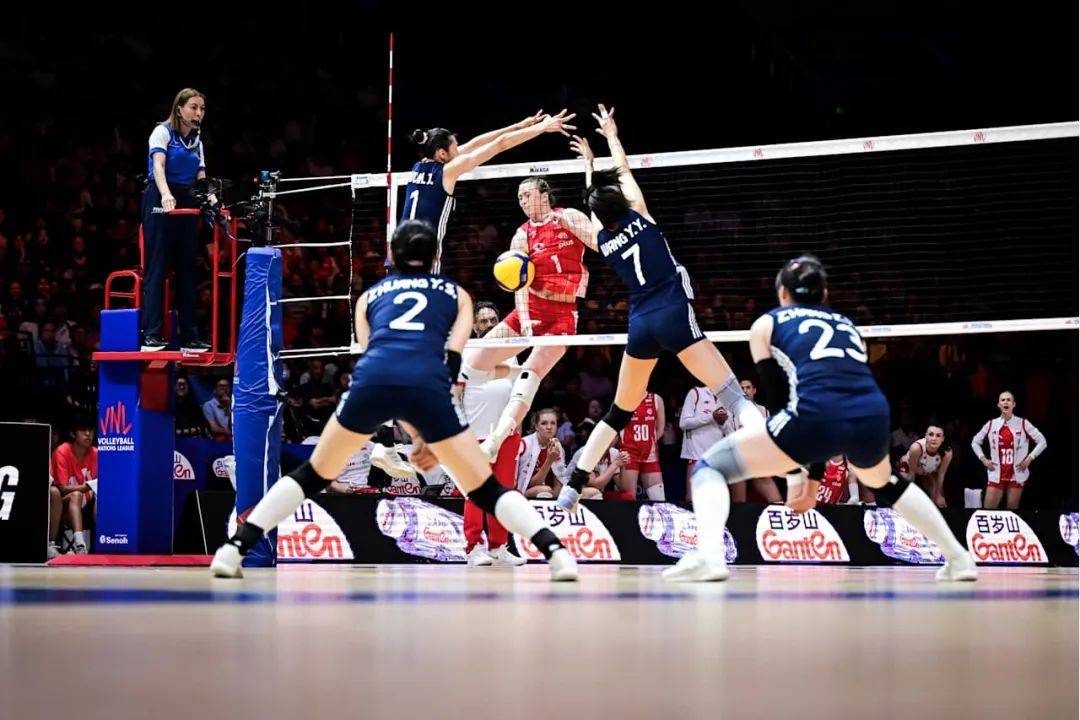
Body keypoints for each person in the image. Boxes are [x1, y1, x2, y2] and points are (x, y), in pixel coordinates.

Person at [211, 221, 577, 581]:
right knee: (486, 488)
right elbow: (452, 364)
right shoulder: (456, 295)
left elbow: (374, 357)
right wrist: (425, 435)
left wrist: (401, 429)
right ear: (433, 257)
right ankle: (556, 553)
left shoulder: (369, 297)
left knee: (311, 474)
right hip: (426, 383)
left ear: (393, 256)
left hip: (373, 381)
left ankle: (234, 548)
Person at [672, 255, 976, 581]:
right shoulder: (847, 325)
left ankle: (711, 558)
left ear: (783, 293)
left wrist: (796, 476)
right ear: (825, 294)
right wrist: (814, 481)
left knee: (710, 467)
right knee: (885, 482)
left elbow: (780, 403)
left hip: (814, 413)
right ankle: (958, 557)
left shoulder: (766, 325)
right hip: (871, 413)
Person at [556, 105, 760, 513]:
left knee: (618, 411)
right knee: (733, 394)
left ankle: (572, 486)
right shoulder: (641, 216)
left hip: (641, 323)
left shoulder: (604, 241)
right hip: (672, 311)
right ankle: (765, 439)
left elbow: (598, 209)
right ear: (621, 201)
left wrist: (588, 166)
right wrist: (611, 137)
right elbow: (624, 170)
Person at [462, 174, 596, 462]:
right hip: (529, 312)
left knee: (531, 376)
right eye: (519, 197)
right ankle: (515, 372)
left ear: (544, 195)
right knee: (472, 365)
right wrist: (525, 322)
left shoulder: (569, 217)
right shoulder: (521, 235)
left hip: (562, 317)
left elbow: (599, 242)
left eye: (527, 194)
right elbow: (519, 285)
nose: (522, 201)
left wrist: (584, 215)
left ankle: (495, 441)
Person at [400, 110, 576, 272]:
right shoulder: (448, 170)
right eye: (455, 148)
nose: (459, 151)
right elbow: (500, 144)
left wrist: (518, 126)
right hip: (424, 257)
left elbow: (475, 143)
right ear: (442, 154)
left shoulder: (419, 166)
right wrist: (542, 127)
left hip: (399, 250)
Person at [141, 88, 211, 352]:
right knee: (158, 266)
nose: (198, 113)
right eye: (193, 107)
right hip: (160, 198)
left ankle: (190, 337)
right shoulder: (162, 132)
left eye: (202, 109)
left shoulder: (197, 142)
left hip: (188, 200)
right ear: (179, 109)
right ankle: (151, 334)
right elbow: (158, 167)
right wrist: (166, 194)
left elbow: (201, 178)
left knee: (187, 270)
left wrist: (214, 202)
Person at [460, 301, 526, 567]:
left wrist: (517, 425)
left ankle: (499, 547)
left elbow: (519, 390)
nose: (489, 325)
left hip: (506, 434)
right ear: (475, 326)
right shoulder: (466, 350)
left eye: (493, 320)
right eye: (483, 321)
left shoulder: (511, 352)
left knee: (503, 492)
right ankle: (473, 547)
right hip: (475, 433)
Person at [971, 391, 1047, 510]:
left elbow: (1042, 441)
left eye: (1008, 400)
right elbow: (975, 442)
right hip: (996, 473)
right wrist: (983, 460)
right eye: (1003, 400)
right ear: (999, 405)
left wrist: (1030, 458)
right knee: (988, 512)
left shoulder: (1023, 423)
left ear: (1013, 404)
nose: (1005, 402)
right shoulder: (991, 424)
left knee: (1011, 513)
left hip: (1016, 474)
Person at [725, 379, 783, 504]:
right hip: (738, 453)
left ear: (754, 390)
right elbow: (729, 433)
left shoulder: (763, 410)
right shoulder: (731, 411)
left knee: (776, 501)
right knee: (739, 500)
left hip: (758, 454)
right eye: (742, 388)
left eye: (748, 387)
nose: (745, 391)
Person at [51, 420, 98, 554]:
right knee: (75, 494)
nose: (88, 434)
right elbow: (62, 489)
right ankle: (79, 545)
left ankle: (101, 545)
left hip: (87, 507)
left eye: (91, 430)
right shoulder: (62, 451)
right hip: (61, 507)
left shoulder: (96, 453)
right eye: (83, 430)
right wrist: (85, 487)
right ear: (73, 434)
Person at [679, 386, 728, 503]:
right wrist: (711, 417)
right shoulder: (696, 393)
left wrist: (723, 423)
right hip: (697, 455)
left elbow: (729, 430)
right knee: (692, 499)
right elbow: (683, 423)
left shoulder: (726, 398)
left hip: (717, 457)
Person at [618, 390, 665, 501]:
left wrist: (650, 442)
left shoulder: (656, 399)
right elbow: (615, 427)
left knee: (659, 499)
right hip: (629, 454)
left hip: (650, 455)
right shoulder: (622, 398)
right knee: (628, 499)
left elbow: (660, 429)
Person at [516, 409, 567, 499]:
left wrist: (557, 496)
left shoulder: (557, 445)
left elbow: (559, 479)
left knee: (587, 492)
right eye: (544, 423)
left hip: (550, 491)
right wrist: (549, 460)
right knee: (545, 490)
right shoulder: (525, 444)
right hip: (525, 492)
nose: (549, 427)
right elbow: (532, 484)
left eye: (553, 423)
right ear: (536, 426)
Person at [899, 425, 953, 508]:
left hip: (927, 471)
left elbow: (941, 474)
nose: (934, 438)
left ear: (943, 439)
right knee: (905, 489)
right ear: (926, 436)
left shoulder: (947, 453)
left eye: (938, 435)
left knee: (936, 494)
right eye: (931, 434)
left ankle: (931, 511)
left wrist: (938, 495)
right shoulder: (916, 448)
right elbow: (912, 472)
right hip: (908, 467)